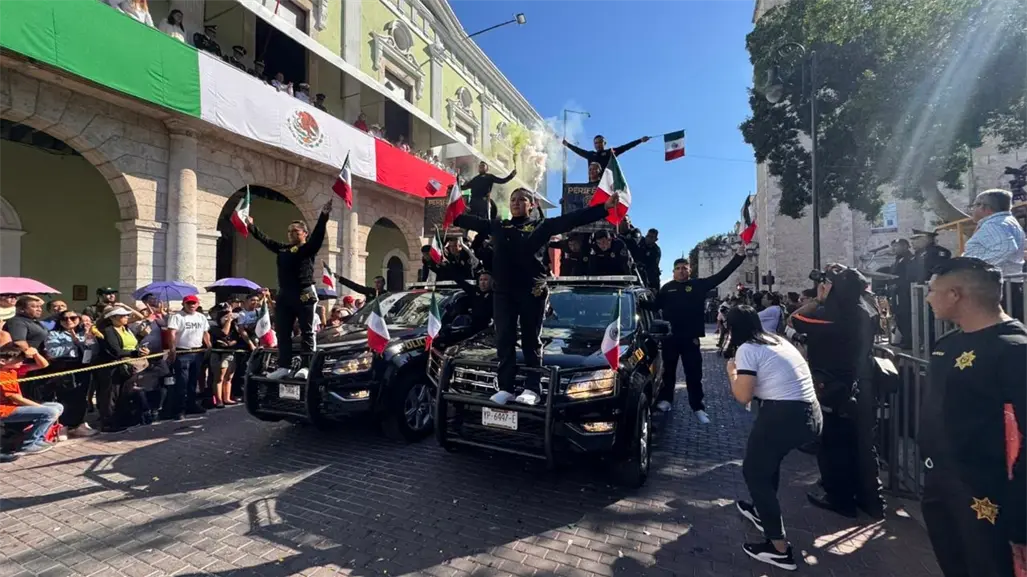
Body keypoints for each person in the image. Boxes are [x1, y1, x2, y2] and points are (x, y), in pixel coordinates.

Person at [455, 187, 617, 405]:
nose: (516, 202)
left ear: (531, 205)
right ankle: (506, 387)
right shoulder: (499, 225)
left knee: (531, 341)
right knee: (504, 339)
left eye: (522, 199)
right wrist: (452, 211)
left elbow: (572, 219)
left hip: (532, 290)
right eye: (513, 199)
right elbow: (472, 222)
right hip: (503, 291)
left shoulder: (542, 225)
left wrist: (603, 209)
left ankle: (533, 388)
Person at [919, 257, 1026, 577]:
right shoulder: (947, 344)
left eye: (932, 290)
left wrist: (1021, 515)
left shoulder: (1014, 350)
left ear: (955, 294)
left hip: (990, 493)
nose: (927, 298)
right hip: (942, 484)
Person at [725, 306, 821, 572]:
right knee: (770, 462)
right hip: (811, 412)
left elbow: (742, 395)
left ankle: (778, 548)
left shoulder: (747, 349)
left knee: (754, 472)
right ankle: (760, 511)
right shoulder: (776, 338)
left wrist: (731, 371)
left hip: (783, 416)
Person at [790, 265, 885, 519]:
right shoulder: (867, 308)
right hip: (863, 383)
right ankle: (871, 500)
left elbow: (795, 320)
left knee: (834, 445)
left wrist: (819, 300)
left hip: (835, 387)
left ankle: (839, 497)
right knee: (863, 444)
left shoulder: (831, 313)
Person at [245, 198, 333, 380]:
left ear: (304, 234)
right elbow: (266, 240)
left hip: (304, 292)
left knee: (307, 330)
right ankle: (284, 366)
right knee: (282, 331)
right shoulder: (283, 249)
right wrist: (251, 226)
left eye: (296, 231)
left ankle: (307, 366)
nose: (292, 234)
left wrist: (323, 216)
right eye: (289, 231)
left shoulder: (308, 249)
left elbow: (317, 236)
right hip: (285, 294)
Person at [656, 248, 746, 422]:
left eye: (685, 268)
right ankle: (666, 400)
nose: (681, 271)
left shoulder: (698, 285)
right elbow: (654, 305)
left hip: (690, 338)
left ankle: (697, 406)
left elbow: (722, 275)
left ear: (690, 270)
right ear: (673, 272)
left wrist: (739, 257)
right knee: (668, 372)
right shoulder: (667, 288)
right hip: (670, 338)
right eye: (678, 268)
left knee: (694, 374)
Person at [962, 189, 1025, 321]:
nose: (971, 210)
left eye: (973, 206)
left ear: (984, 207)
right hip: (1008, 285)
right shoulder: (1007, 221)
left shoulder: (994, 224)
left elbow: (1006, 248)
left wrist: (972, 267)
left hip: (996, 287)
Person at [96, 307, 151, 431]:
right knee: (111, 395)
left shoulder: (126, 329)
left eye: (127, 315)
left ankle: (122, 420)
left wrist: (142, 350)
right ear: (113, 318)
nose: (126, 317)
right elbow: (115, 350)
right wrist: (136, 353)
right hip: (112, 367)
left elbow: (134, 344)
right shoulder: (108, 331)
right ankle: (108, 423)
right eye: (123, 315)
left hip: (128, 366)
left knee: (124, 394)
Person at [44, 310, 97, 438]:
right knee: (65, 398)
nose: (69, 321)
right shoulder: (54, 334)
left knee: (81, 397)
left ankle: (78, 425)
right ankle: (63, 426)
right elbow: (53, 353)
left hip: (82, 367)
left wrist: (85, 338)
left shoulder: (84, 334)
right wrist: (72, 343)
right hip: (65, 367)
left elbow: (91, 350)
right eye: (65, 319)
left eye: (73, 318)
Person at [0, 343, 57, 456]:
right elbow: (16, 399)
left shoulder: (12, 370)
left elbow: (43, 365)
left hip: (13, 406)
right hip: (4, 410)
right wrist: (40, 407)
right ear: (2, 361)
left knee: (57, 407)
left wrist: (35, 353)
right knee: (50, 412)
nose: (22, 361)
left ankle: (38, 439)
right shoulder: (2, 375)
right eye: (18, 359)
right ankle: (29, 444)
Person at [164, 295, 211, 419]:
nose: (192, 305)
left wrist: (209, 345)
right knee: (182, 382)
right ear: (183, 304)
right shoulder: (177, 317)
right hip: (182, 353)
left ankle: (191, 405)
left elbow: (205, 332)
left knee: (192, 381)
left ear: (197, 304)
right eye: (189, 303)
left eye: (194, 303)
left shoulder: (201, 317)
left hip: (197, 352)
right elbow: (171, 333)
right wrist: (172, 349)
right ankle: (179, 410)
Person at [562, 134, 650, 173]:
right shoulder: (590, 155)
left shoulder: (610, 153)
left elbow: (625, 147)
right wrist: (567, 144)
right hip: (593, 186)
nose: (598, 144)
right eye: (596, 143)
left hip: (607, 185)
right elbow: (578, 151)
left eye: (600, 142)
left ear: (604, 143)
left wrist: (640, 140)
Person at [890, 238, 915, 349]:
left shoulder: (909, 259)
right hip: (898, 292)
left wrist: (898, 285)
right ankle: (904, 338)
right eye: (893, 246)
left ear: (905, 246)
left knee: (906, 315)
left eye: (897, 246)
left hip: (906, 292)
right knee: (899, 315)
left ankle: (909, 340)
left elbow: (908, 276)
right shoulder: (898, 259)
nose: (894, 248)